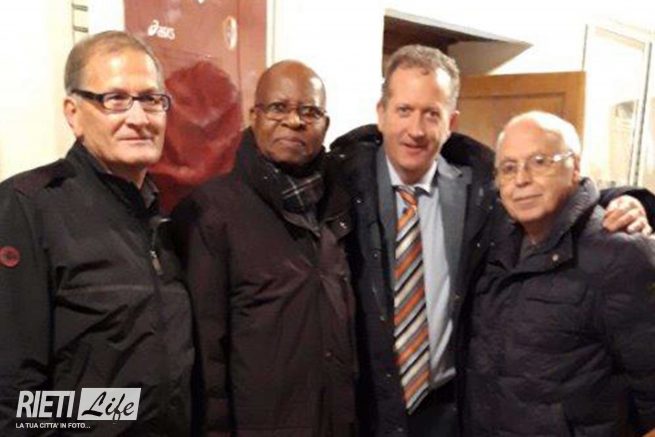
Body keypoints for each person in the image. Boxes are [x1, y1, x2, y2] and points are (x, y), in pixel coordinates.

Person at [330, 44, 654, 436]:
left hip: (451, 411)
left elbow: (559, 197)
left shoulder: (480, 189)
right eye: (403, 110)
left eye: (431, 114)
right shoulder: (340, 185)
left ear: (451, 122)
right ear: (381, 113)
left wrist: (632, 201)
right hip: (367, 410)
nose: (415, 129)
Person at [0, 31, 193, 435]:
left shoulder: (161, 215)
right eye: (115, 99)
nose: (139, 118)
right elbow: (15, 394)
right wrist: (121, 410)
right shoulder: (27, 207)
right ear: (73, 113)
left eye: (150, 99)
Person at [172, 61, 356, 436]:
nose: (294, 121)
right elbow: (206, 349)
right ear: (253, 117)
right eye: (278, 108)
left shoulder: (342, 206)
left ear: (326, 125)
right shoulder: (213, 211)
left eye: (310, 111)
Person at [463, 111, 655, 436]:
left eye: (539, 162)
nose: (521, 179)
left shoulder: (622, 255)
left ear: (575, 167)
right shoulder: (493, 244)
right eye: (508, 168)